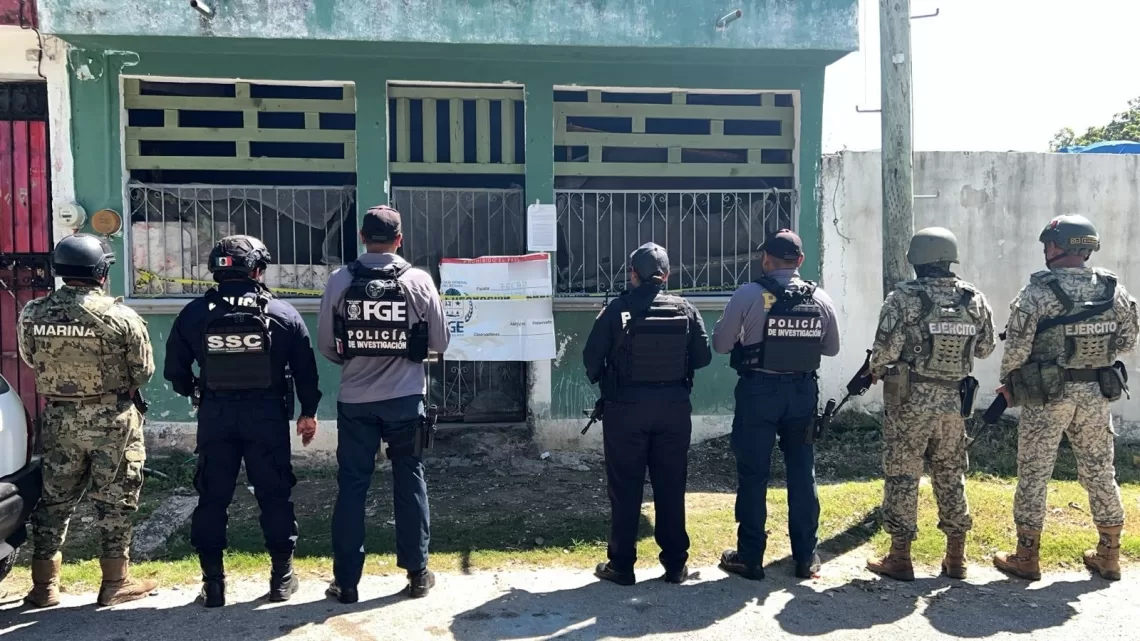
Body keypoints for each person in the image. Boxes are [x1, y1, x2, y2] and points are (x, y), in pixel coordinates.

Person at [164, 235, 321, 607]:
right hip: (266, 416)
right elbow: (306, 372)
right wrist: (308, 412)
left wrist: (197, 391)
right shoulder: (282, 313)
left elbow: (175, 371)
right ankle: (281, 579)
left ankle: (213, 585)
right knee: (274, 495)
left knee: (212, 497)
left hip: (216, 416)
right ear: (257, 270)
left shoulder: (195, 313)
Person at [993, 215, 1138, 582]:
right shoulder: (1113, 290)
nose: (1046, 250)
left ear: (1059, 246)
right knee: (1100, 470)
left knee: (1034, 472)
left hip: (1046, 395)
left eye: (1049, 243)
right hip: (1095, 395)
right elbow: (1127, 341)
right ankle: (1109, 555)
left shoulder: (1037, 292)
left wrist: (1009, 383)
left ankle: (1026, 556)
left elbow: (1016, 350)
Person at [317, 205, 450, 603]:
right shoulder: (418, 280)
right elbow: (440, 342)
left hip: (356, 401)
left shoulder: (340, 280)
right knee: (409, 480)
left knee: (352, 486)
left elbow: (326, 343)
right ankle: (418, 574)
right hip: (405, 401)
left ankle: (347, 583)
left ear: (362, 237)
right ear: (400, 239)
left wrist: (355, 363)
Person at [18, 234, 157, 608]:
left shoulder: (33, 312)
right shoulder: (120, 316)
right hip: (112, 421)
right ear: (100, 271)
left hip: (60, 419)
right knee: (116, 501)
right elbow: (142, 372)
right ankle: (115, 583)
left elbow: (30, 358)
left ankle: (44, 586)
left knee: (54, 501)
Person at [865, 227, 996, 581]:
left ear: (917, 259)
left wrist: (877, 369)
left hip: (910, 403)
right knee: (951, 473)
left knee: (903, 473)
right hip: (955, 403)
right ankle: (956, 557)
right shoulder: (973, 299)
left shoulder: (903, 298)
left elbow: (883, 354)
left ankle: (899, 556)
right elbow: (986, 348)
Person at [581, 242, 713, 586]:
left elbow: (591, 359)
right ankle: (675, 565)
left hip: (625, 409)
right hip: (673, 408)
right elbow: (703, 357)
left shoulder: (617, 309)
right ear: (666, 275)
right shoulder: (685, 309)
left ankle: (622, 565)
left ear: (633, 274)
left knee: (625, 488)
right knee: (671, 486)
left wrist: (609, 379)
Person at [712, 229, 840, 580]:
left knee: (754, 474)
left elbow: (721, 345)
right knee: (802, 472)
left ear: (765, 259)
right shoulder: (820, 298)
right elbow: (831, 349)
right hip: (802, 393)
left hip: (759, 392)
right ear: (800, 260)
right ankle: (806, 557)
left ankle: (750, 557)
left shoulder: (747, 294)